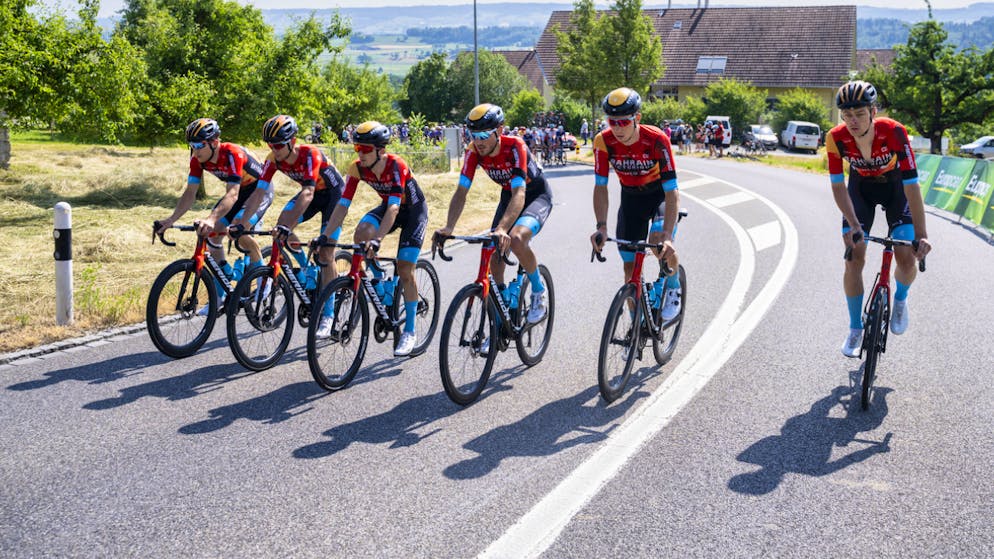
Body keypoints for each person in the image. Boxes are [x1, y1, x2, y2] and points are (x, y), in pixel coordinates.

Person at [826, 80, 931, 358]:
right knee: (853, 257)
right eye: (847, 115)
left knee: (907, 257)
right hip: (861, 189)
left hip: (896, 188)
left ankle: (900, 299)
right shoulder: (835, 138)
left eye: (859, 114)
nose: (852, 121)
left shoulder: (895, 132)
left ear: (873, 112)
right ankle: (855, 328)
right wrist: (855, 225)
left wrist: (921, 235)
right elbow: (838, 186)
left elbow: (912, 186)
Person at [435, 103, 553, 330]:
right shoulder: (473, 152)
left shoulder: (515, 146)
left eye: (483, 135)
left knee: (516, 239)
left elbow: (520, 192)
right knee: (493, 253)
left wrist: (503, 228)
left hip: (535, 195)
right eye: (473, 134)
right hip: (509, 196)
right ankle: (502, 313)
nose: (478, 141)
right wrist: (449, 227)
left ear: (499, 131)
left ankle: (539, 291)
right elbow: (461, 192)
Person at [319, 121, 429, 357]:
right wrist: (325, 236)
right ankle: (378, 276)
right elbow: (343, 205)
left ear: (381, 150)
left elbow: (394, 209)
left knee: (405, 268)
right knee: (361, 234)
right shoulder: (357, 168)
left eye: (366, 149)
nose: (360, 153)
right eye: (357, 148)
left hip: (412, 212)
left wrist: (379, 239)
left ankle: (409, 331)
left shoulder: (396, 165)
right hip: (387, 206)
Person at [156, 118, 273, 312]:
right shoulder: (197, 159)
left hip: (260, 190)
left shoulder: (232, 154)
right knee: (213, 234)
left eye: (199, 145)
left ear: (214, 142)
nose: (195, 150)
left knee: (240, 230)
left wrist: (211, 218)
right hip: (239, 192)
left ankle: (264, 279)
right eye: (191, 145)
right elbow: (190, 192)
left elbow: (233, 193)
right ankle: (221, 287)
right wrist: (170, 220)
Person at [589, 87, 682, 321]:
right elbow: (601, 186)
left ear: (636, 118)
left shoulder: (657, 139)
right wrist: (601, 226)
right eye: (612, 121)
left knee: (657, 243)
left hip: (659, 196)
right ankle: (636, 323)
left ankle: (673, 285)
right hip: (631, 200)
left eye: (623, 122)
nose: (617, 128)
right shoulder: (603, 141)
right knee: (629, 268)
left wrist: (669, 234)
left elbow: (672, 192)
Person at [254, 114, 346, 317]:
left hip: (334, 196)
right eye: (270, 145)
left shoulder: (309, 154)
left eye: (278, 145)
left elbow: (308, 193)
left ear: (292, 141)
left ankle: (329, 314)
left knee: (325, 253)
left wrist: (290, 224)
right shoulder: (272, 160)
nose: (274, 150)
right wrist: (245, 221)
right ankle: (305, 266)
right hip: (311, 193)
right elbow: (258, 192)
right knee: (280, 228)